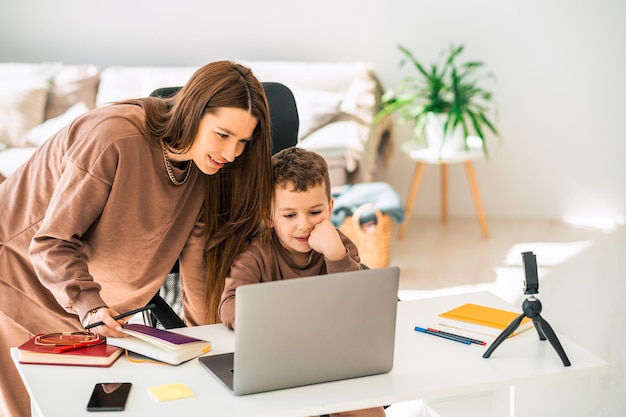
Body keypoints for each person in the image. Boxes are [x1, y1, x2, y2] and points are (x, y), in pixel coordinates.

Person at [0, 60, 273, 417]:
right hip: (18, 278)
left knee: (107, 406)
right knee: (35, 408)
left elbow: (198, 259)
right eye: (222, 135)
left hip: (99, 309)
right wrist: (90, 305)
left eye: (243, 141)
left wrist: (209, 338)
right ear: (192, 111)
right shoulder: (113, 138)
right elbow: (52, 242)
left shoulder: (205, 167)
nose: (231, 153)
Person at [219, 147, 386, 417]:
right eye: (289, 215)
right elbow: (229, 304)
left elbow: (361, 302)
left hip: (335, 360)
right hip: (276, 365)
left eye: (314, 212)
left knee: (371, 413)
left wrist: (334, 255)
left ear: (330, 208)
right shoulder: (256, 254)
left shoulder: (338, 245)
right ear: (267, 214)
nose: (303, 224)